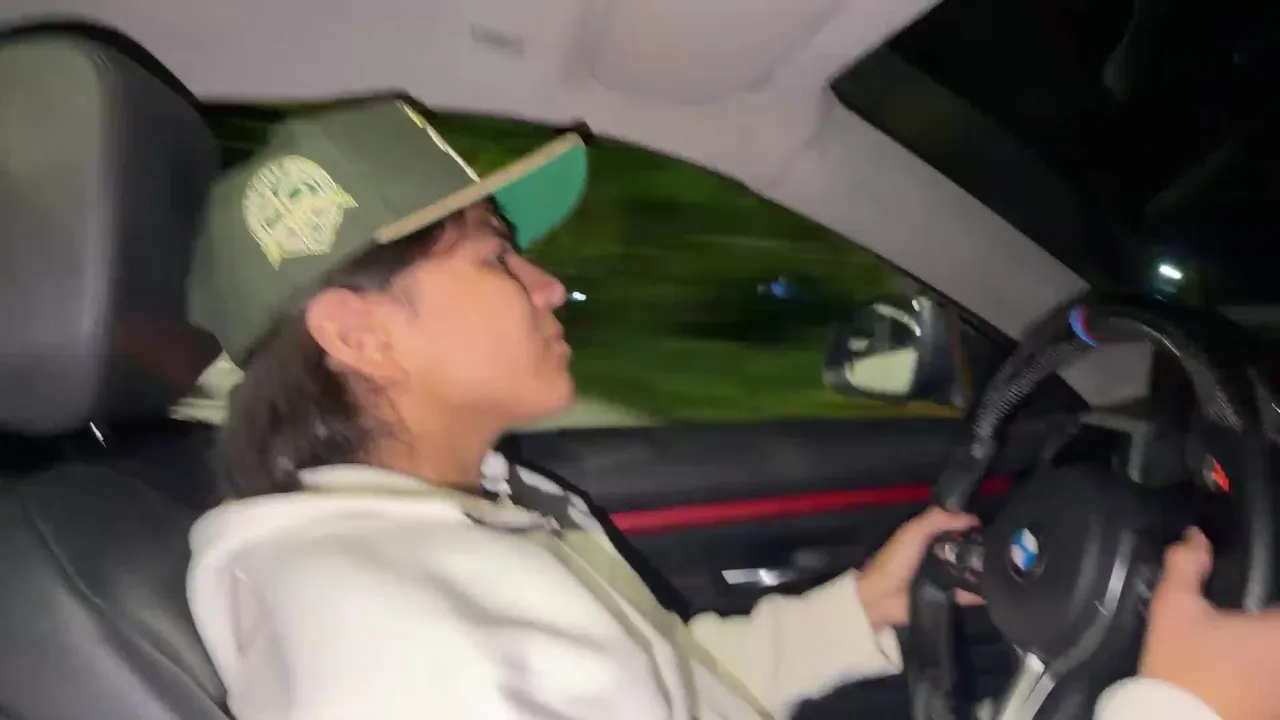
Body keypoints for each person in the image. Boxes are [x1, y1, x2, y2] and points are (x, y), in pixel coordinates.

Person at [183, 98, 1272, 720]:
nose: (547, 285)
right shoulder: (387, 643)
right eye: (493, 259)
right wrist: (1182, 704)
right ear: (360, 334)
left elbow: (663, 688)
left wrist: (863, 606)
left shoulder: (468, 519)